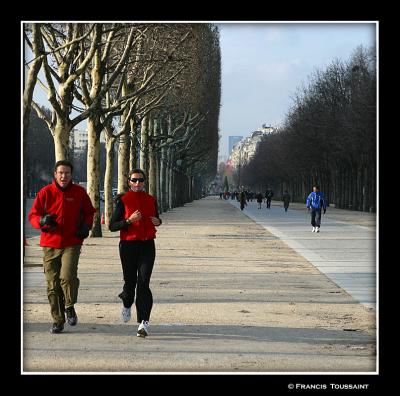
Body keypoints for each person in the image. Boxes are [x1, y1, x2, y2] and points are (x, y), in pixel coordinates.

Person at [28, 160, 96, 334]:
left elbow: (90, 212)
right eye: (61, 173)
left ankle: (69, 304)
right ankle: (58, 320)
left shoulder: (79, 192)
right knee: (52, 284)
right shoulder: (45, 192)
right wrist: (42, 222)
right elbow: (33, 215)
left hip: (72, 242)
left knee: (67, 277)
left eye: (67, 173)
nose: (64, 176)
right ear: (55, 174)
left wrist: (86, 226)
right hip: (50, 243)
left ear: (71, 175)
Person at [109, 169, 162, 338]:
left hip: (147, 245)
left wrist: (158, 221)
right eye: (134, 180)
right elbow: (112, 226)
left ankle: (143, 323)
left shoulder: (151, 200)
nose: (137, 183)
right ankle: (126, 302)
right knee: (130, 283)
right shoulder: (123, 201)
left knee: (144, 283)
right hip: (128, 246)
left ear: (145, 182)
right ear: (129, 182)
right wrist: (128, 221)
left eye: (140, 180)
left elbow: (157, 218)